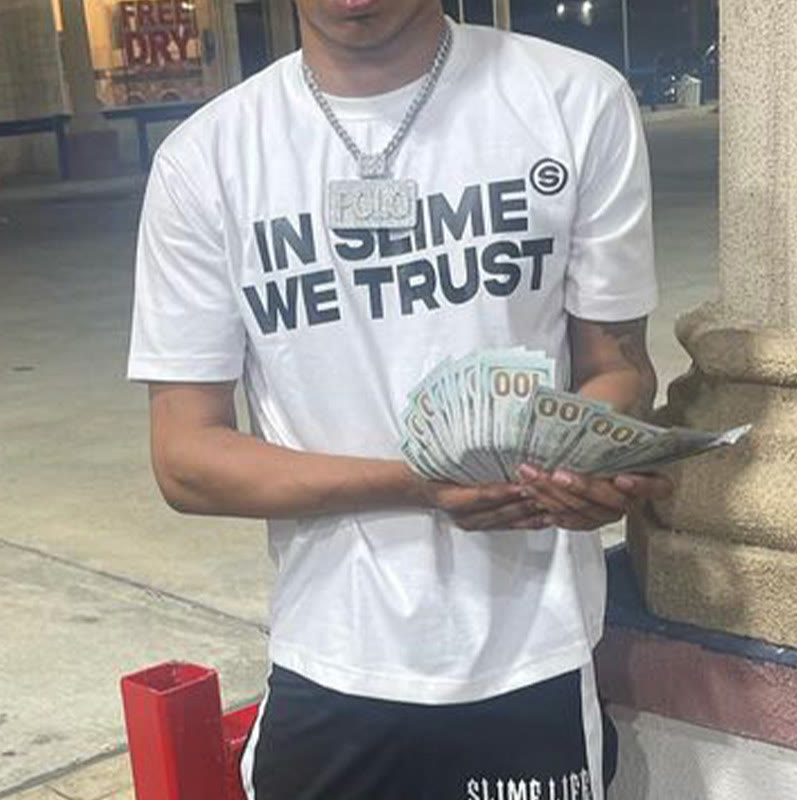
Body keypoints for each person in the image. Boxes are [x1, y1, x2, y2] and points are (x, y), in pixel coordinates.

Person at [127, 2, 672, 798]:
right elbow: (186, 458)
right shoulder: (207, 158)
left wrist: (592, 454)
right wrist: (417, 484)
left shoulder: (575, 101)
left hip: (531, 651)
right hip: (331, 654)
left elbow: (617, 364)